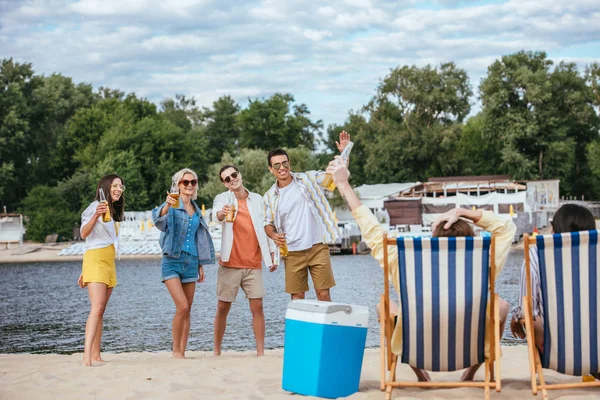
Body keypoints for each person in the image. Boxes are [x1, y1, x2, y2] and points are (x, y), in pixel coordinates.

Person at [325, 158, 516, 382]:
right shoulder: (484, 261)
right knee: (500, 305)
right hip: (469, 346)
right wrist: (461, 211)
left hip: (418, 347)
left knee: (383, 305)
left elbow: (371, 230)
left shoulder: (405, 260)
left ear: (433, 237)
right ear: (470, 239)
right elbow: (506, 228)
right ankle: (470, 372)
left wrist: (343, 185)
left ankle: (420, 373)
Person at [263, 131, 351, 301]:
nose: (282, 168)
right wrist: (273, 235)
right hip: (292, 252)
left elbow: (333, 176)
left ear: (289, 163)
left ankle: (327, 328)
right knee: (297, 297)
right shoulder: (269, 196)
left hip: (317, 247)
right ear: (270, 169)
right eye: (276, 165)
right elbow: (267, 223)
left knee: (323, 294)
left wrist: (344, 152)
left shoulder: (308, 179)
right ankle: (300, 329)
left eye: (285, 163)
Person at [510, 204, 596, 354]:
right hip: (596, 349)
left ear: (556, 230)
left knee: (531, 316)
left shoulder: (536, 255)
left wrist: (516, 318)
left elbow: (526, 311)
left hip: (557, 352)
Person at [212, 165, 278, 356]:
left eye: (234, 174)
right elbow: (216, 215)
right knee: (223, 307)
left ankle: (260, 352)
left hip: (253, 264)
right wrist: (222, 213)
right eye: (227, 178)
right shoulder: (222, 199)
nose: (232, 179)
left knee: (258, 307)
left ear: (240, 174)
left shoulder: (257, 199)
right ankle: (216, 351)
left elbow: (267, 226)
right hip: (230, 264)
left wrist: (272, 253)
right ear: (224, 184)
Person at [152, 168, 215, 359]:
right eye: (185, 182)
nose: (189, 185)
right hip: (172, 260)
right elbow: (158, 220)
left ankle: (182, 351)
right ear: (178, 184)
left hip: (192, 262)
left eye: (192, 182)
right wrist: (166, 207)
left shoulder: (196, 210)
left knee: (189, 309)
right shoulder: (171, 203)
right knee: (182, 307)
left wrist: (201, 265)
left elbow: (198, 238)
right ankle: (175, 351)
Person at [78, 174, 125, 366]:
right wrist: (96, 214)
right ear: (105, 187)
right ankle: (86, 355)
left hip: (108, 261)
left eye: (121, 186)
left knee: (101, 310)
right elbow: (83, 234)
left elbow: (102, 239)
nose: (118, 189)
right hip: (96, 260)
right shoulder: (94, 207)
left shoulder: (113, 211)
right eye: (115, 185)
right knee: (96, 307)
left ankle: (96, 355)